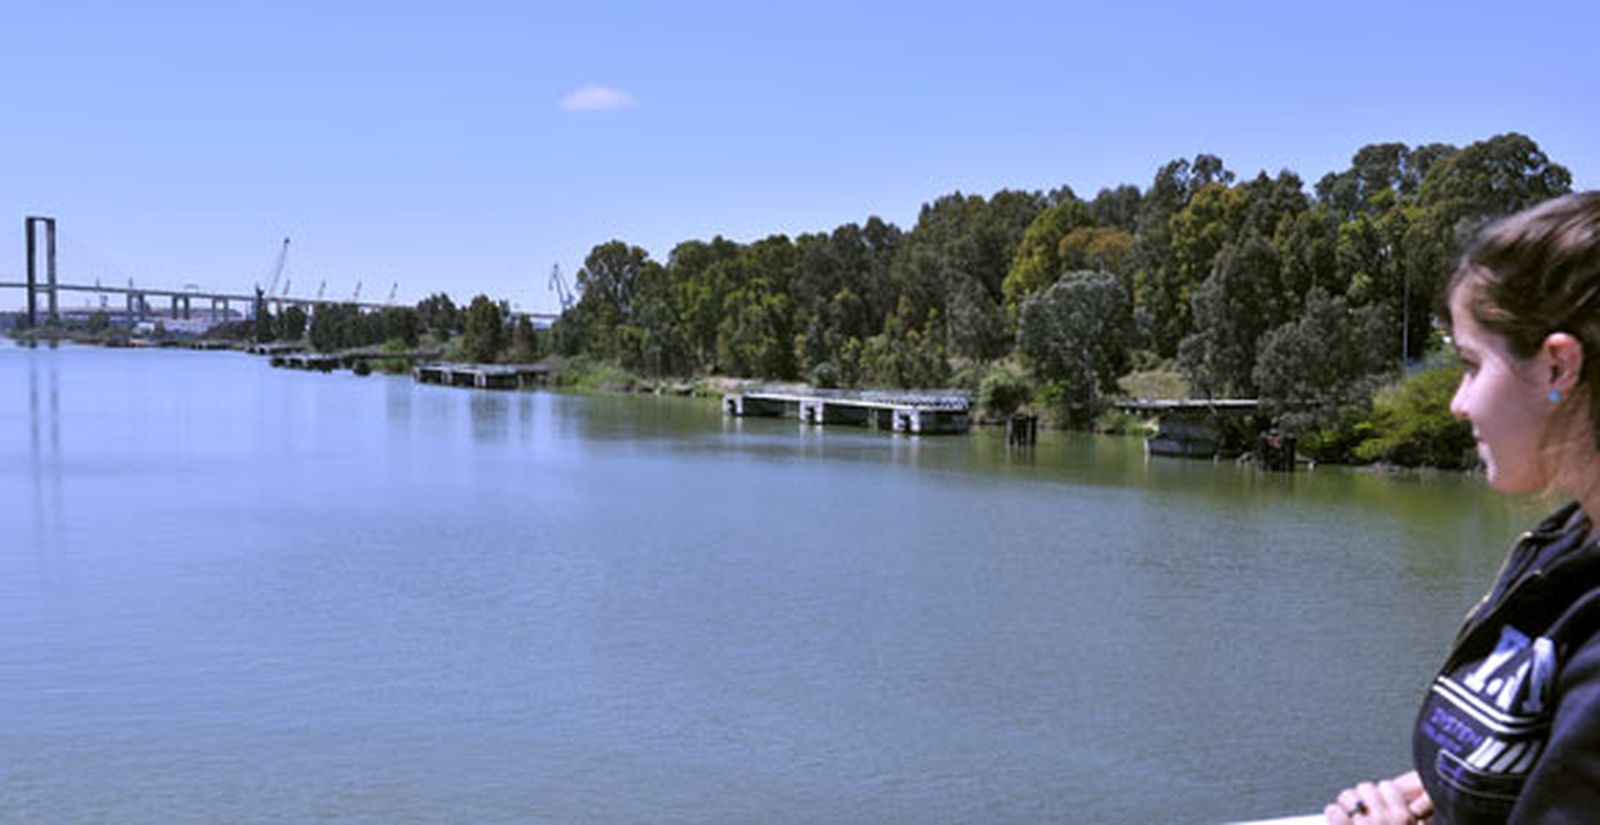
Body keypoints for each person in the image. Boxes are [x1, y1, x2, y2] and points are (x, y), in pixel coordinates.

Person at [1326, 192, 1600, 824]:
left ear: (1558, 365)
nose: (1458, 402)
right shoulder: (1566, 541)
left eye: (1472, 364)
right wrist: (1464, 786)